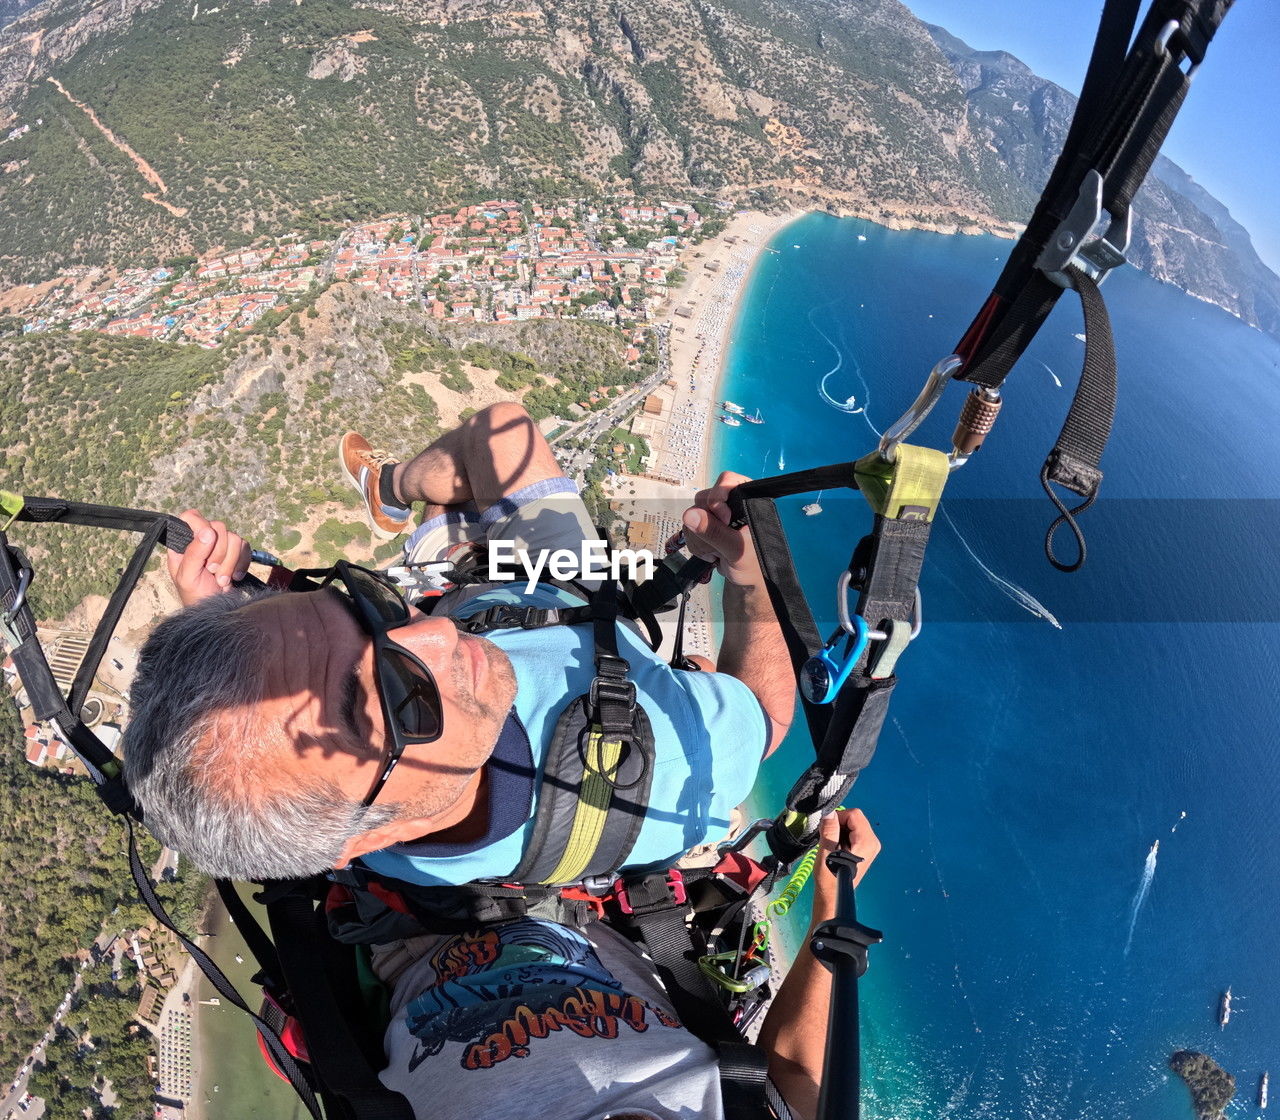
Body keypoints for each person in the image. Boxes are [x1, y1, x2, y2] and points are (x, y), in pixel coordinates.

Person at [122, 403, 795, 885]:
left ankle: (389, 495)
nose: (435, 631)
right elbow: (767, 717)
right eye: (398, 699)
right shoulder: (668, 761)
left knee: (485, 461)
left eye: (367, 610)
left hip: (517, 601)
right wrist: (749, 573)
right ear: (369, 839)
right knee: (497, 441)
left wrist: (223, 617)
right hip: (569, 601)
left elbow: (271, 739)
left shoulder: (359, 816)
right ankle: (398, 496)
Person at [370, 808, 881, 1120]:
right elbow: (794, 1070)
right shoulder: (752, 1112)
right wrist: (833, 902)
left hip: (420, 928)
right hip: (586, 906)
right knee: (729, 701)